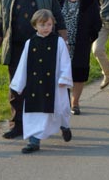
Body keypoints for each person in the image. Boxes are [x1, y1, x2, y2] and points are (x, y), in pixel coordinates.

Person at [0, 0, 67, 140]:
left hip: (44, 48)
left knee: (47, 87)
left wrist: (64, 44)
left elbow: (59, 19)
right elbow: (1, 27)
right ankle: (17, 125)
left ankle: (54, 123)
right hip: (17, 49)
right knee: (16, 87)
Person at [9, 10, 73, 153]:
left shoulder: (59, 42)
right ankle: (34, 142)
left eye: (49, 24)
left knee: (59, 109)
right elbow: (23, 64)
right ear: (35, 25)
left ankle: (64, 126)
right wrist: (18, 84)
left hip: (55, 84)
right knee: (35, 112)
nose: (46, 28)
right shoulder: (30, 43)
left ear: (53, 25)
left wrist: (64, 78)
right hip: (35, 85)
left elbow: (65, 62)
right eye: (42, 25)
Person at [57, 0, 102, 115]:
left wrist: (89, 38)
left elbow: (96, 22)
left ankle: (75, 103)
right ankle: (62, 102)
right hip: (60, 43)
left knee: (79, 73)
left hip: (81, 43)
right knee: (61, 73)